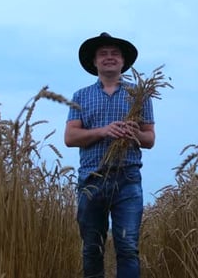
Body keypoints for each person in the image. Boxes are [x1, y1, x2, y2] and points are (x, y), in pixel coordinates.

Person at [64, 32, 155, 278]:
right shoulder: (80, 96)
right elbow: (70, 138)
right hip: (92, 179)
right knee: (92, 248)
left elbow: (150, 140)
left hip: (127, 178)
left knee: (127, 247)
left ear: (123, 62)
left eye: (114, 53)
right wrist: (104, 131)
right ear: (94, 62)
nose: (109, 58)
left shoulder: (140, 95)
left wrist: (135, 133)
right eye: (103, 54)